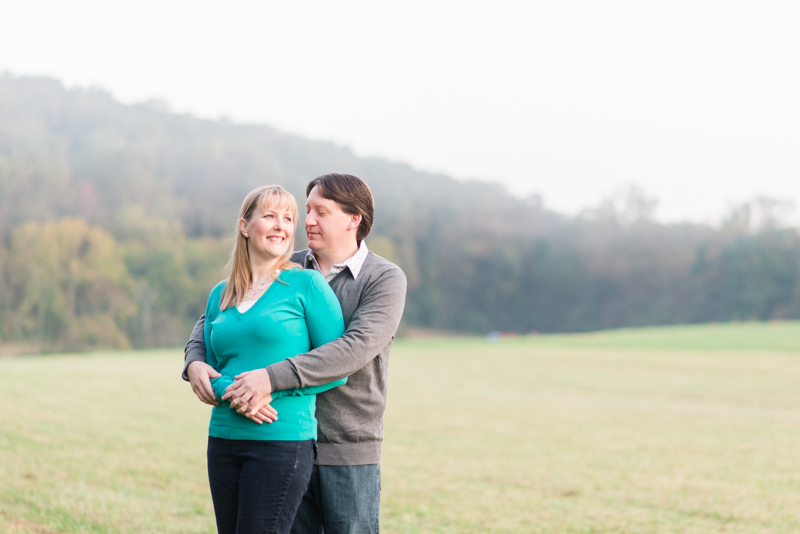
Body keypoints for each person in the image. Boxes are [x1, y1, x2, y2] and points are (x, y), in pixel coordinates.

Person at [184, 173, 407, 534]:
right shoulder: (283, 265)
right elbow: (215, 316)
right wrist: (193, 360)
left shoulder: (383, 279)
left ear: (354, 220)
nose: (308, 221)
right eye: (306, 211)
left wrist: (269, 378)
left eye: (321, 211)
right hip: (279, 434)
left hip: (345, 445)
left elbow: (354, 348)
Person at [199, 184, 347, 534]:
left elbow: (337, 367)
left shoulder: (307, 285)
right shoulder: (220, 294)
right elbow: (207, 364)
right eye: (269, 216)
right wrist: (238, 392)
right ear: (245, 226)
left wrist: (269, 388)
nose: (281, 225)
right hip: (222, 438)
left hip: (281, 441)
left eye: (288, 218)